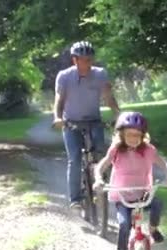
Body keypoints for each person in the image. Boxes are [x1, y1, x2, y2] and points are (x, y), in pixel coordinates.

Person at [93, 111, 167, 250]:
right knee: (124, 225)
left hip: (143, 194)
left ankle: (152, 229)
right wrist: (98, 179)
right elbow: (101, 165)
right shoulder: (116, 150)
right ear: (121, 134)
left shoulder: (149, 150)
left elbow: (162, 163)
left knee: (157, 204)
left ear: (143, 135)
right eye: (129, 135)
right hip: (122, 196)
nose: (134, 138)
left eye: (138, 135)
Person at [52, 40, 121, 210]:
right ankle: (75, 198)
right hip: (71, 123)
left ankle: (102, 188)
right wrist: (57, 118)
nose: (88, 63)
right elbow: (59, 101)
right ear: (75, 60)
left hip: (94, 121)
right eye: (84, 59)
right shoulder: (64, 76)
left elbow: (108, 96)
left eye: (90, 59)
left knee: (100, 154)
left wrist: (118, 114)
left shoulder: (100, 74)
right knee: (75, 159)